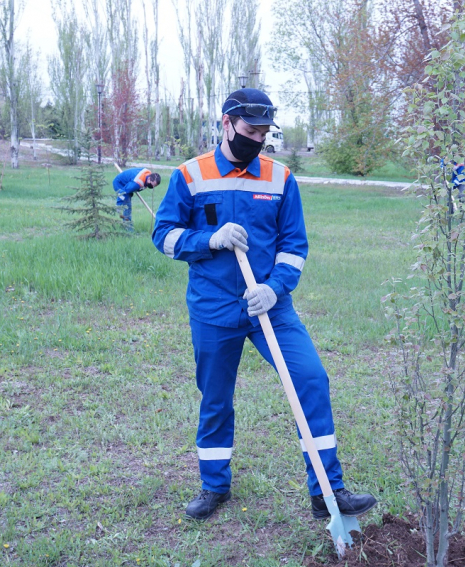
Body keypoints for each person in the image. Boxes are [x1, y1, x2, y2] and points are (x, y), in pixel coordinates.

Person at [152, 88, 377, 521]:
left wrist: (275, 288)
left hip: (270, 308)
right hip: (214, 310)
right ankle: (214, 486)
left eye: (263, 133)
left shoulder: (279, 178)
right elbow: (163, 235)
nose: (256, 140)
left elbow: (294, 246)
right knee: (215, 398)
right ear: (226, 124)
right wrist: (209, 239)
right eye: (249, 130)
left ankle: (327, 489)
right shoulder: (190, 175)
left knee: (311, 379)